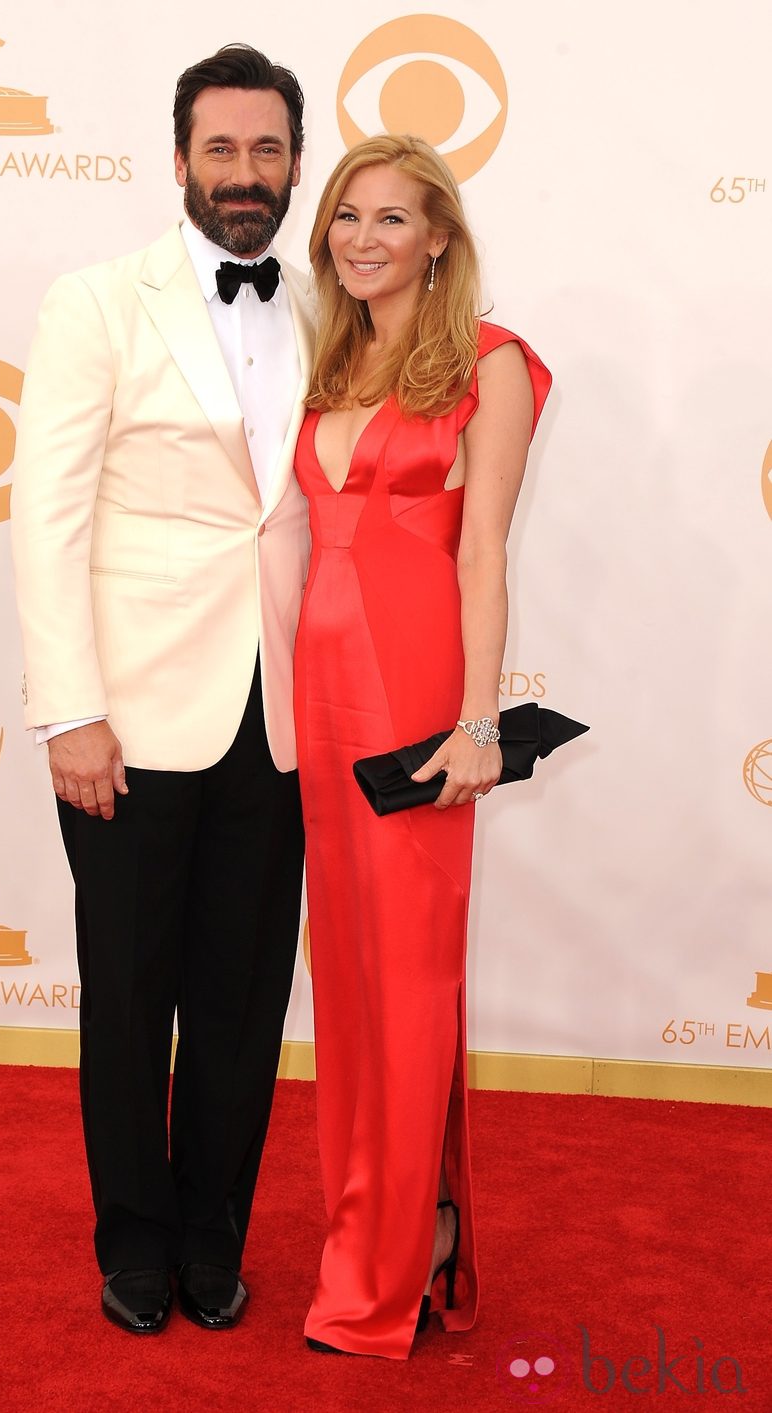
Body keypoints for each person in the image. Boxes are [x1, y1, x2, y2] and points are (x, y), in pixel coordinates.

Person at [10, 44, 313, 1336]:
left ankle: (211, 1239)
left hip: (285, 715)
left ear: (296, 161)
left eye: (268, 150)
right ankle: (134, 1239)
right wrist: (69, 706)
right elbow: (45, 514)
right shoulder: (97, 301)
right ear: (179, 157)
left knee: (243, 1003)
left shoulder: (328, 307)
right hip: (127, 717)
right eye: (223, 149)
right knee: (130, 994)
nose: (246, 176)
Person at [292, 134, 552, 1359]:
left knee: (405, 981)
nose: (362, 240)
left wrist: (478, 721)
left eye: (390, 220)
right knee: (345, 986)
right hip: (316, 692)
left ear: (437, 237)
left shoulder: (488, 365)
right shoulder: (325, 357)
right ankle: (398, 1223)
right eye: (346, 216)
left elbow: (482, 553)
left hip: (410, 696)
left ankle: (384, 1270)